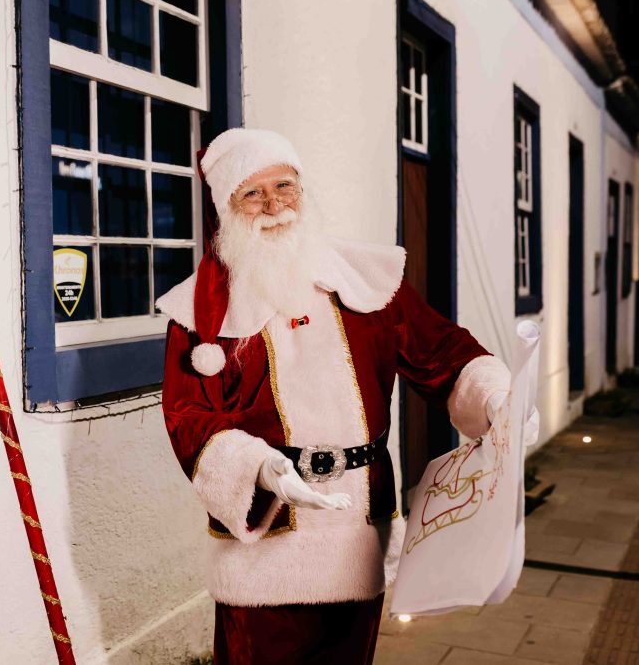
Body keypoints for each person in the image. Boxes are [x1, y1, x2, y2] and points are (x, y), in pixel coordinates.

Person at [157, 128, 510, 664]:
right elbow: (189, 416)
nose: (274, 204)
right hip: (267, 543)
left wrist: (496, 402)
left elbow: (442, 353)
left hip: (359, 529)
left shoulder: (366, 280)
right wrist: (263, 469)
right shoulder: (197, 313)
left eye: (284, 185)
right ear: (226, 207)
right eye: (252, 193)